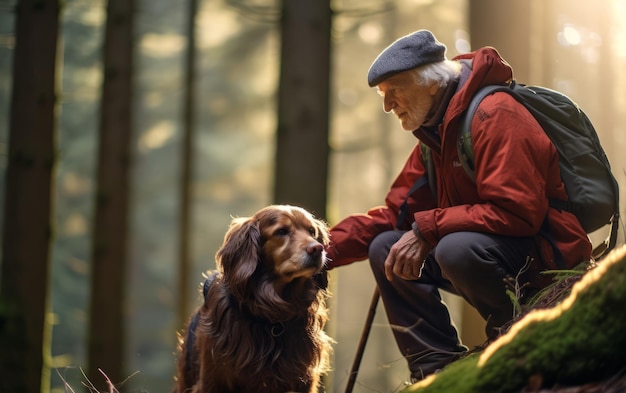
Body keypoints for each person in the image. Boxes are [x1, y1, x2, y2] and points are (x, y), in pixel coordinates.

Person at [326, 29, 592, 382]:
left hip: (546, 254)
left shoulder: (495, 115)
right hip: (497, 249)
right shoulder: (434, 135)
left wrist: (428, 229)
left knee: (454, 248)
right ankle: (434, 369)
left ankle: (513, 339)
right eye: (382, 95)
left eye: (394, 91)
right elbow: (395, 215)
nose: (387, 105)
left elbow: (517, 211)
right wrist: (317, 252)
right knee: (385, 246)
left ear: (432, 83)